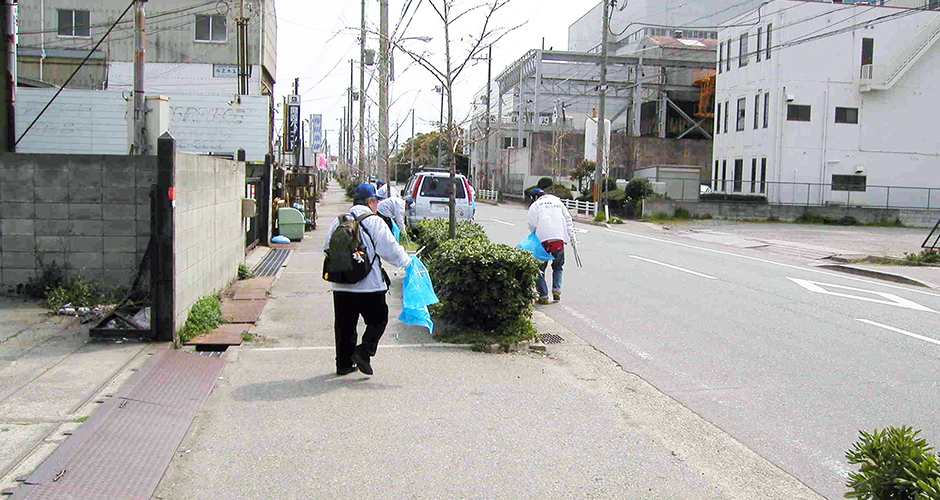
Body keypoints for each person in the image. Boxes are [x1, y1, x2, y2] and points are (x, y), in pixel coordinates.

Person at [323, 182, 411, 376]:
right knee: (378, 320)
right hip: (369, 285)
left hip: (341, 284)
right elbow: (390, 250)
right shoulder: (374, 221)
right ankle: (364, 351)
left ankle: (344, 365)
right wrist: (408, 263)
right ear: (371, 202)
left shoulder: (338, 221)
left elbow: (326, 247)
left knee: (344, 325)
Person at [526, 187, 576, 305]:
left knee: (539, 269)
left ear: (535, 197)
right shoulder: (558, 202)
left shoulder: (536, 205)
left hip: (543, 240)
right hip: (559, 239)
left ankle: (543, 296)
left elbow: (531, 223)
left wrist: (534, 234)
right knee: (558, 266)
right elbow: (568, 220)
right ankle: (556, 290)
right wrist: (572, 237)